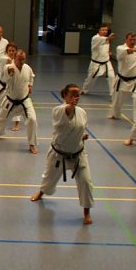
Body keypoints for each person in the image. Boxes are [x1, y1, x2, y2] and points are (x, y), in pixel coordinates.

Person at [31, 84, 94, 225]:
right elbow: (65, 117)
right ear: (64, 96)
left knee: (86, 182)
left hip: (78, 154)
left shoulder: (82, 112)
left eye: (77, 95)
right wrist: (70, 105)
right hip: (58, 155)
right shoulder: (58, 110)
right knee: (48, 180)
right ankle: (41, 192)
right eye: (72, 95)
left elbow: (74, 127)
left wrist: (81, 136)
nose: (75, 98)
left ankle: (86, 212)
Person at [0, 50, 38, 154]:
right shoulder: (8, 67)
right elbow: (4, 80)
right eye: (20, 59)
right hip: (10, 100)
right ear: (15, 58)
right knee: (1, 118)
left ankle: (32, 144)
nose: (22, 61)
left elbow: (31, 78)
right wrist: (10, 74)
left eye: (23, 59)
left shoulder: (27, 68)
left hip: (24, 100)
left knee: (32, 119)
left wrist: (30, 86)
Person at [109, 32, 136, 121]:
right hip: (122, 79)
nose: (132, 41)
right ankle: (115, 114)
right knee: (118, 100)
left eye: (134, 40)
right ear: (126, 39)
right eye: (130, 39)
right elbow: (126, 52)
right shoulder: (120, 48)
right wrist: (132, 50)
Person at [0, 42, 22, 132]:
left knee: (15, 105)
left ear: (16, 51)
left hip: (12, 87)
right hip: (2, 84)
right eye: (9, 50)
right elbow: (3, 61)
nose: (11, 52)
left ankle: (16, 124)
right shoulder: (4, 59)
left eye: (13, 51)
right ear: (6, 51)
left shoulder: (18, 62)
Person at [81, 24, 115, 97]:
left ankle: (113, 95)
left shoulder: (106, 39)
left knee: (112, 77)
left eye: (106, 30)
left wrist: (109, 52)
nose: (104, 31)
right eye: (103, 30)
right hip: (96, 64)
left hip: (106, 63)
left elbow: (105, 47)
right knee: (91, 79)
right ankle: (85, 90)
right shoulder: (95, 38)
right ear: (99, 30)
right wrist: (108, 37)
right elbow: (102, 40)